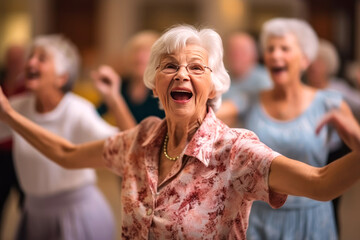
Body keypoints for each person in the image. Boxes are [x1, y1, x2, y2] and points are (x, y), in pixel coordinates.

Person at [0, 25, 359, 239]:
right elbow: (65, 154)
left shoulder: (234, 150)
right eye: (169, 66)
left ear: (215, 86)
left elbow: (320, 182)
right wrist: (9, 115)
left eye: (196, 67)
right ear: (155, 84)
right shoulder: (139, 140)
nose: (181, 74)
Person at [0, 35, 134, 240]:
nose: (31, 62)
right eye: (31, 57)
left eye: (42, 58)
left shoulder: (77, 111)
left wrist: (113, 97)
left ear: (62, 77)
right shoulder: (17, 106)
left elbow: (128, 144)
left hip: (76, 215)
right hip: (33, 214)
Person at [241, 18, 350, 240]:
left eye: (284, 48)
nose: (275, 54)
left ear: (305, 59)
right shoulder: (249, 101)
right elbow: (209, 115)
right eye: (270, 48)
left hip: (312, 220)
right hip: (260, 220)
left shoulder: (329, 103)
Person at [97, 30, 165, 123]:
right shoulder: (121, 84)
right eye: (136, 51)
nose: (139, 56)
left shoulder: (161, 91)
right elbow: (98, 114)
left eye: (146, 51)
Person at [216, 31, 271, 127]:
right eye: (232, 52)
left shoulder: (264, 79)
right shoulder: (221, 79)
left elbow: (233, 108)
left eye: (242, 52)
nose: (236, 56)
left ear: (254, 55)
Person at [0, 45, 26, 230]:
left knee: (27, 205)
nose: (15, 62)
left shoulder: (29, 87)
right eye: (12, 58)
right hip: (1, 152)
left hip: (22, 153)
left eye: (19, 58)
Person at [306, 39, 360, 122]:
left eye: (320, 62)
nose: (314, 67)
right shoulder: (300, 89)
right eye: (311, 62)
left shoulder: (338, 88)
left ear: (329, 66)